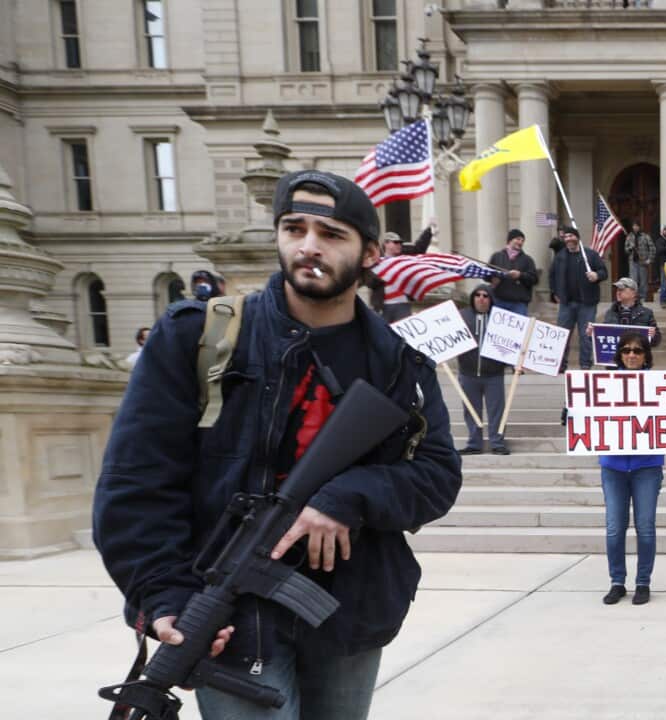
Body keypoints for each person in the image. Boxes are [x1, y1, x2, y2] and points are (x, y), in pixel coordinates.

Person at [93, 169, 463, 719]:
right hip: (227, 611)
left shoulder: (398, 362)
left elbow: (437, 475)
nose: (309, 246)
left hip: (349, 610)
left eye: (333, 234)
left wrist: (348, 498)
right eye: (295, 228)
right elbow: (135, 481)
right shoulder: (200, 336)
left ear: (368, 255)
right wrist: (162, 595)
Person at [589, 331, 666, 606]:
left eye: (637, 350)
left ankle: (643, 583)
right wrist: (573, 414)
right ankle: (617, 582)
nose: (632, 355)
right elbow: (590, 412)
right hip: (613, 465)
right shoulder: (605, 384)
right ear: (619, 355)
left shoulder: (658, 384)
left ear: (646, 355)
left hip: (647, 465)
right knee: (614, 528)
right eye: (626, 350)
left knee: (645, 527)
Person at [456, 284, 510, 456]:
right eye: (477, 295)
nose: (481, 298)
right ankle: (474, 443)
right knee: (471, 410)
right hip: (468, 373)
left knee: (497, 411)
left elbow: (511, 344)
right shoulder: (462, 316)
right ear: (472, 298)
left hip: (493, 374)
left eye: (485, 295)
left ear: (490, 299)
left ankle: (497, 442)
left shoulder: (501, 319)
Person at [549, 226, 609, 370]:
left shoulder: (590, 255)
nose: (568, 239)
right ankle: (560, 365)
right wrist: (555, 292)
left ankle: (585, 364)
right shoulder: (560, 257)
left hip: (587, 303)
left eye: (571, 236)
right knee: (562, 335)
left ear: (577, 238)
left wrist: (597, 275)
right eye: (566, 237)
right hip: (566, 303)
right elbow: (552, 276)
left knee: (586, 336)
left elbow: (603, 271)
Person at [488, 228, 539, 317]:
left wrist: (520, 275)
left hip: (519, 304)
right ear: (510, 240)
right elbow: (487, 273)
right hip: (499, 301)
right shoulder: (496, 256)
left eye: (522, 240)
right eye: (518, 239)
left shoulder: (527, 259)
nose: (520, 242)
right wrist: (492, 278)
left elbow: (534, 279)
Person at [602, 277, 661, 349]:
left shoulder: (646, 313)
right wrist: (592, 333)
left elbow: (656, 339)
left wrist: (653, 336)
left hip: (637, 356)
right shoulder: (610, 313)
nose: (618, 292)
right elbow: (602, 337)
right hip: (615, 357)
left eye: (621, 289)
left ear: (633, 293)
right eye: (617, 289)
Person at [378, 231, 412, 323]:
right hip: (383, 306)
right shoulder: (377, 262)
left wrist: (429, 230)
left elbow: (420, 247)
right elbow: (370, 282)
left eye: (400, 243)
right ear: (386, 243)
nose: (399, 245)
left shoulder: (404, 261)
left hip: (402, 304)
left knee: (403, 335)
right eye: (396, 242)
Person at [624, 222, 656, 300]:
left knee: (643, 281)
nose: (635, 227)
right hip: (633, 262)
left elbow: (652, 248)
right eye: (634, 226)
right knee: (633, 280)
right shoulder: (629, 237)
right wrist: (630, 248)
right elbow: (626, 250)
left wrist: (650, 259)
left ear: (639, 227)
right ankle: (634, 298)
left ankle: (643, 298)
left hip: (643, 261)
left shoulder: (645, 236)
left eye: (637, 226)